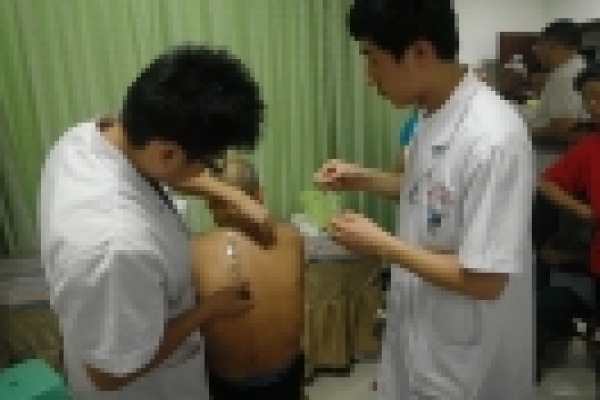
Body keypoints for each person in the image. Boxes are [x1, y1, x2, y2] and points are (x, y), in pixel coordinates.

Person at [314, 1, 534, 399]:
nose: (368, 78)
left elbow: (486, 280)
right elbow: (433, 197)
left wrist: (380, 244)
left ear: (420, 52)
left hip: (465, 362)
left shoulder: (493, 140)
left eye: (373, 59)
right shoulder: (430, 114)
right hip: (420, 332)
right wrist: (364, 179)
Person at [38, 44, 274, 400]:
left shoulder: (90, 137)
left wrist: (232, 195)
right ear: (167, 153)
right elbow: (109, 374)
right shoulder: (115, 246)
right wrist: (208, 310)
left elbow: (165, 169)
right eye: (210, 163)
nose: (207, 173)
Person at [190, 156, 305, 400]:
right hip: (285, 374)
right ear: (259, 195)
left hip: (228, 382)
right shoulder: (292, 239)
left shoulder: (193, 251)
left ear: (209, 204)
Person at [537, 63, 600, 377]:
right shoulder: (589, 148)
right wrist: (584, 211)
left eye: (597, 95)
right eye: (587, 97)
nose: (592, 105)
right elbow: (546, 183)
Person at [530, 19, 588, 173]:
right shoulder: (578, 68)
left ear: (552, 46)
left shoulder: (565, 77)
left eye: (538, 45)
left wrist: (525, 134)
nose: (536, 51)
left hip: (553, 153)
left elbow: (563, 126)